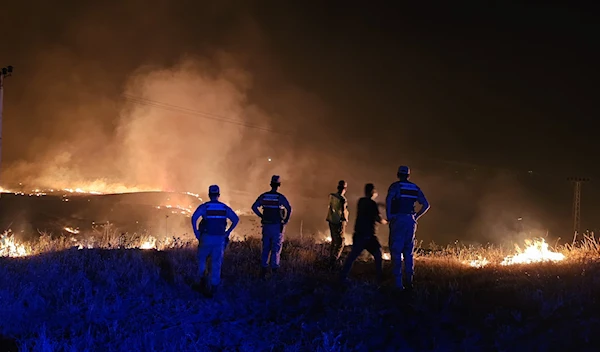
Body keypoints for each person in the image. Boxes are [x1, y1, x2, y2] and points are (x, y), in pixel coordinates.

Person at [386, 166, 430, 291]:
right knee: (408, 251)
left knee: (396, 250)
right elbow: (426, 204)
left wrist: (389, 216)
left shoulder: (395, 186)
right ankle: (410, 281)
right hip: (410, 221)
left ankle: (398, 283)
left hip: (398, 219)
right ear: (409, 175)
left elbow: (389, 200)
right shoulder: (415, 188)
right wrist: (416, 216)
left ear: (398, 174)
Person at [191, 185, 239, 297]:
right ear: (219, 195)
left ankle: (203, 281)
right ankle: (213, 289)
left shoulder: (205, 207)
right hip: (219, 239)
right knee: (216, 263)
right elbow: (236, 219)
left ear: (209, 194)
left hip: (206, 237)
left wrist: (196, 233)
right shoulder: (224, 207)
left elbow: (194, 218)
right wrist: (228, 232)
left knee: (202, 259)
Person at [340, 183, 387, 283]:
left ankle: (342, 277)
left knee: (352, 257)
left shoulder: (361, 201)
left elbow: (370, 204)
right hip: (369, 236)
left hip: (359, 234)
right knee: (378, 256)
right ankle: (379, 279)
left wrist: (378, 204)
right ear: (372, 192)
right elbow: (378, 219)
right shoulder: (372, 204)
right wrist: (387, 221)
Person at [251, 175, 292, 279]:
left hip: (266, 226)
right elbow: (289, 208)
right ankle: (274, 271)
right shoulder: (280, 197)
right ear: (279, 185)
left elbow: (254, 207)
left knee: (266, 248)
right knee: (276, 249)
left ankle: (263, 270)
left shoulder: (264, 196)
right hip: (277, 227)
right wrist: (286, 220)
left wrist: (261, 216)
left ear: (270, 184)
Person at [326, 180, 349, 267]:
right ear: (344, 189)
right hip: (339, 222)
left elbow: (330, 207)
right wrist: (345, 219)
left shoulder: (332, 196)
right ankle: (334, 260)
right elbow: (343, 211)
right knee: (340, 242)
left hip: (331, 220)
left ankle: (330, 257)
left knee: (334, 240)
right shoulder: (343, 199)